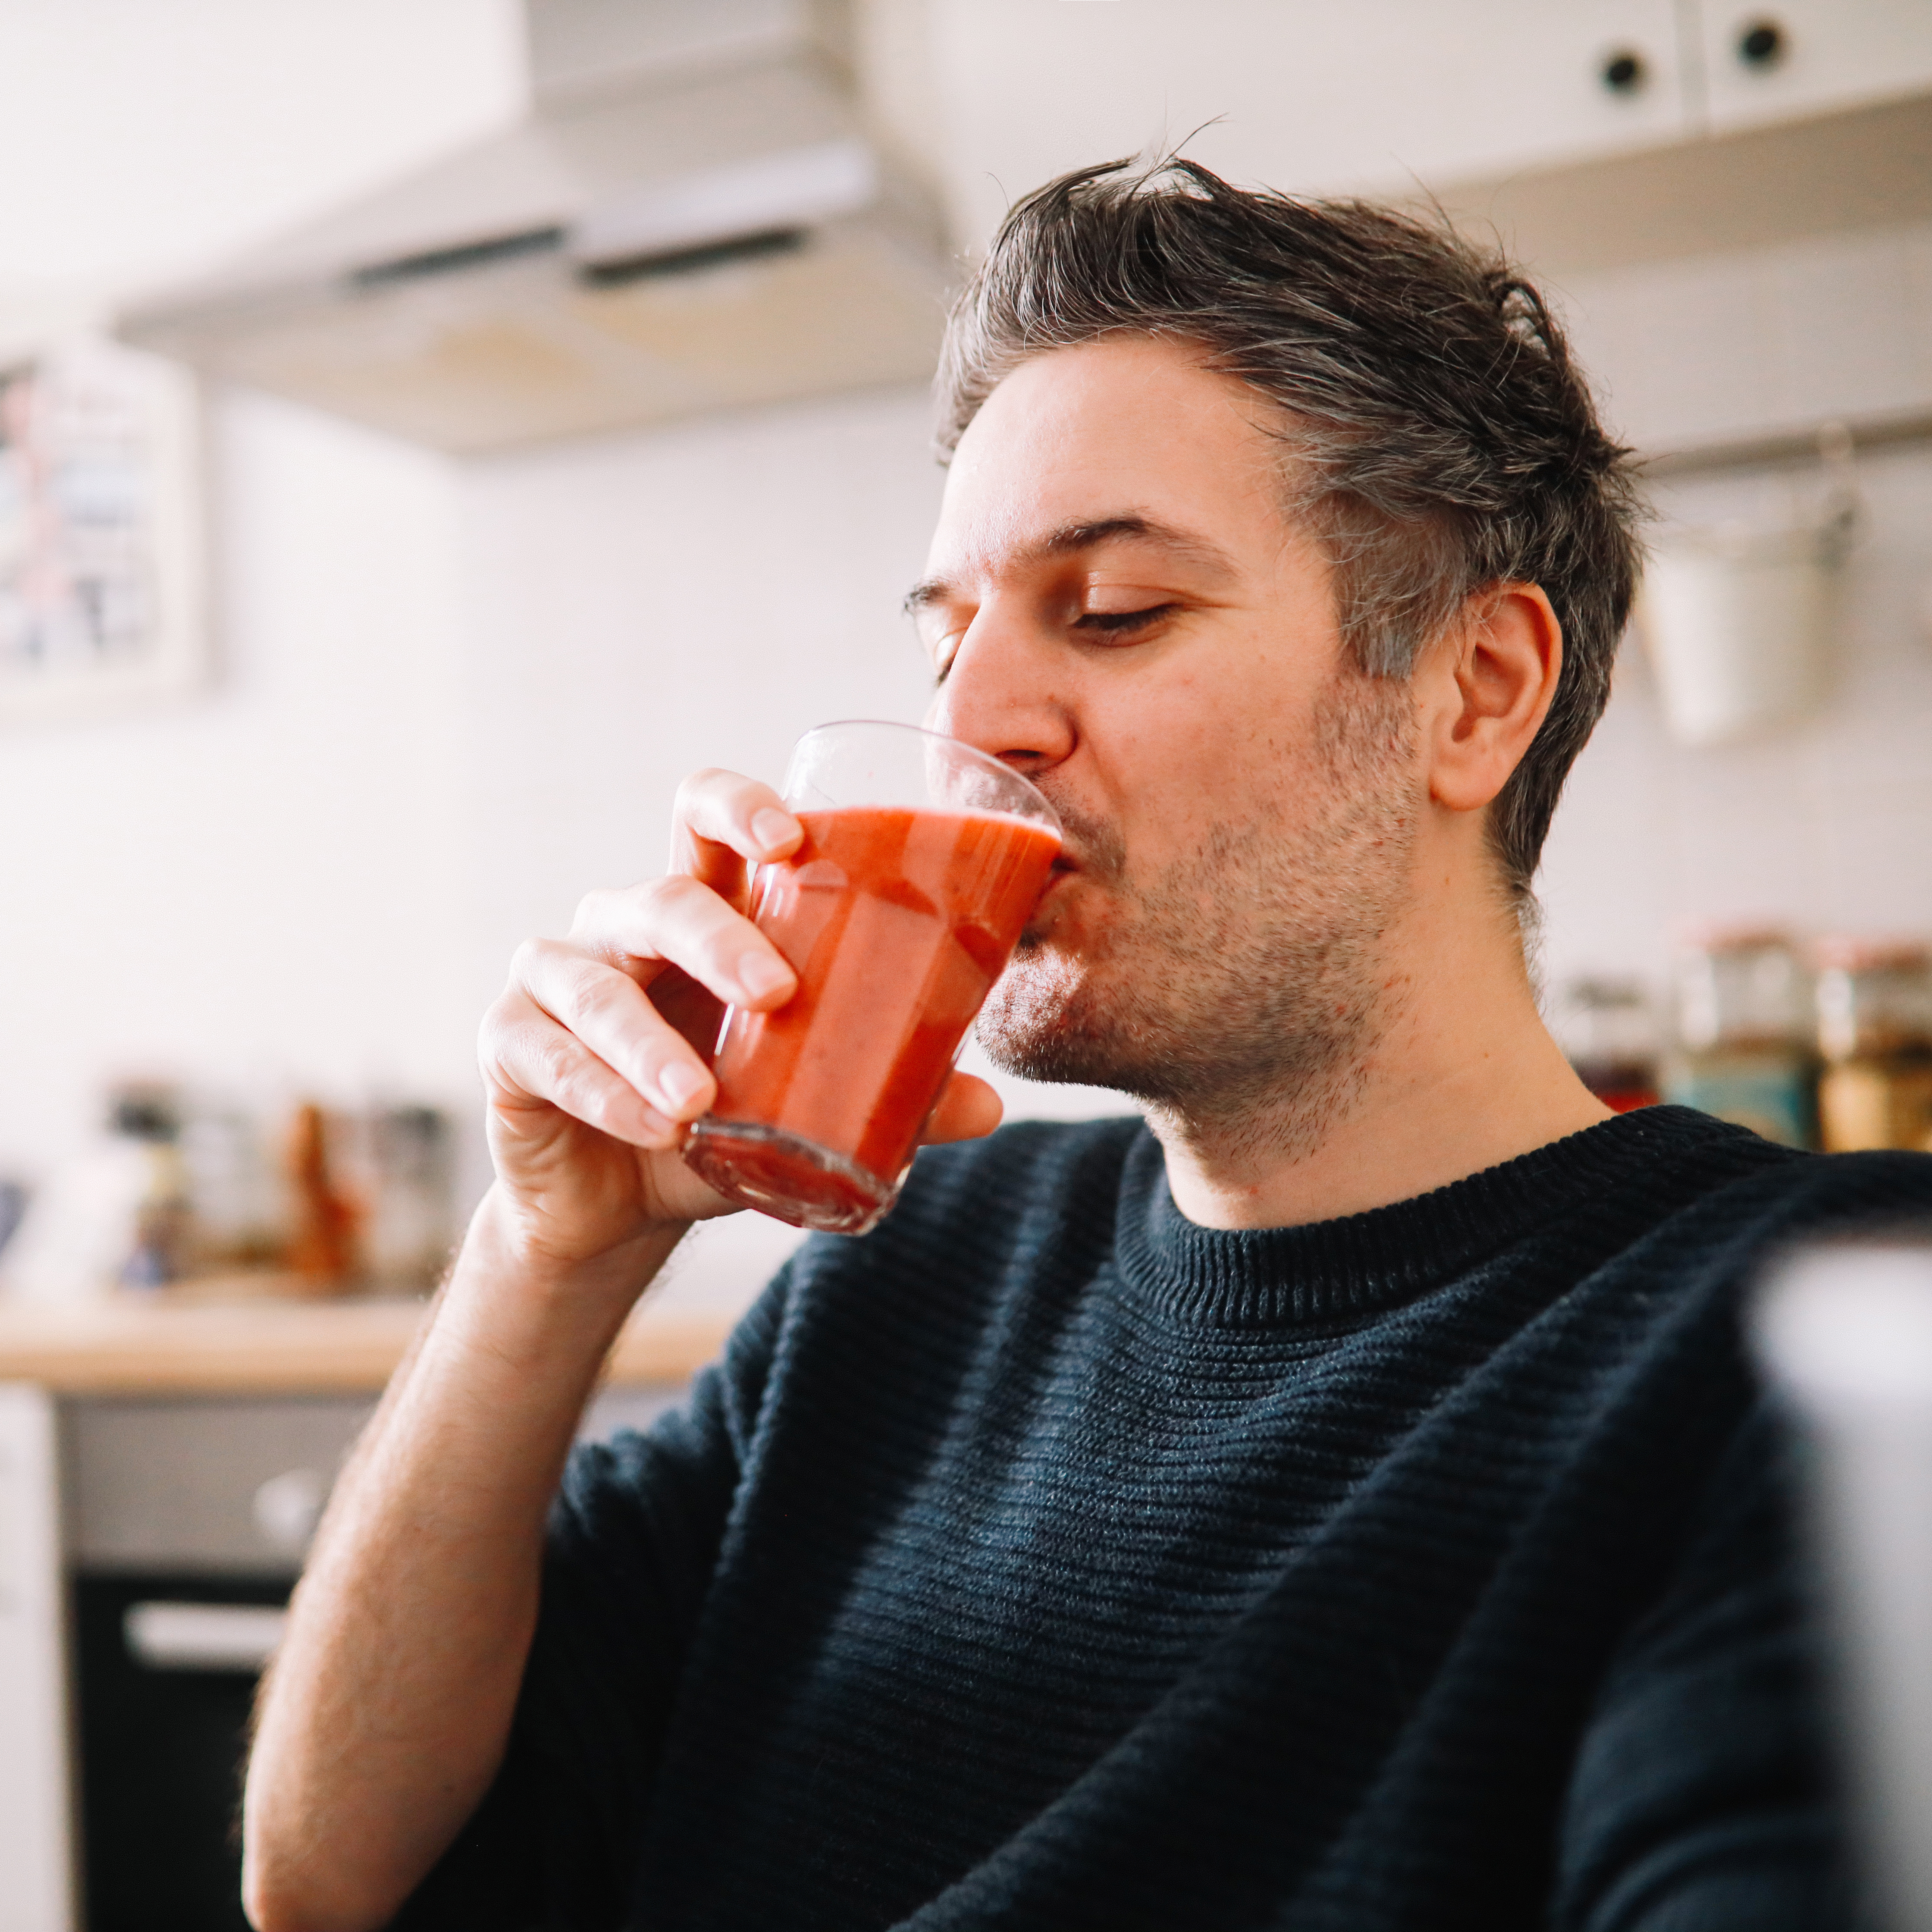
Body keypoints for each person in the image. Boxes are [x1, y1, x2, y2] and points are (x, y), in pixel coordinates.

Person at [242, 160, 1931, 1932]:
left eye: (1114, 608)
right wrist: (542, 1255)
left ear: (1474, 691)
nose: (973, 720)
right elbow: (334, 1881)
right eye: (947, 639)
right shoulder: (904, 1274)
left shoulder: (1815, 1343)